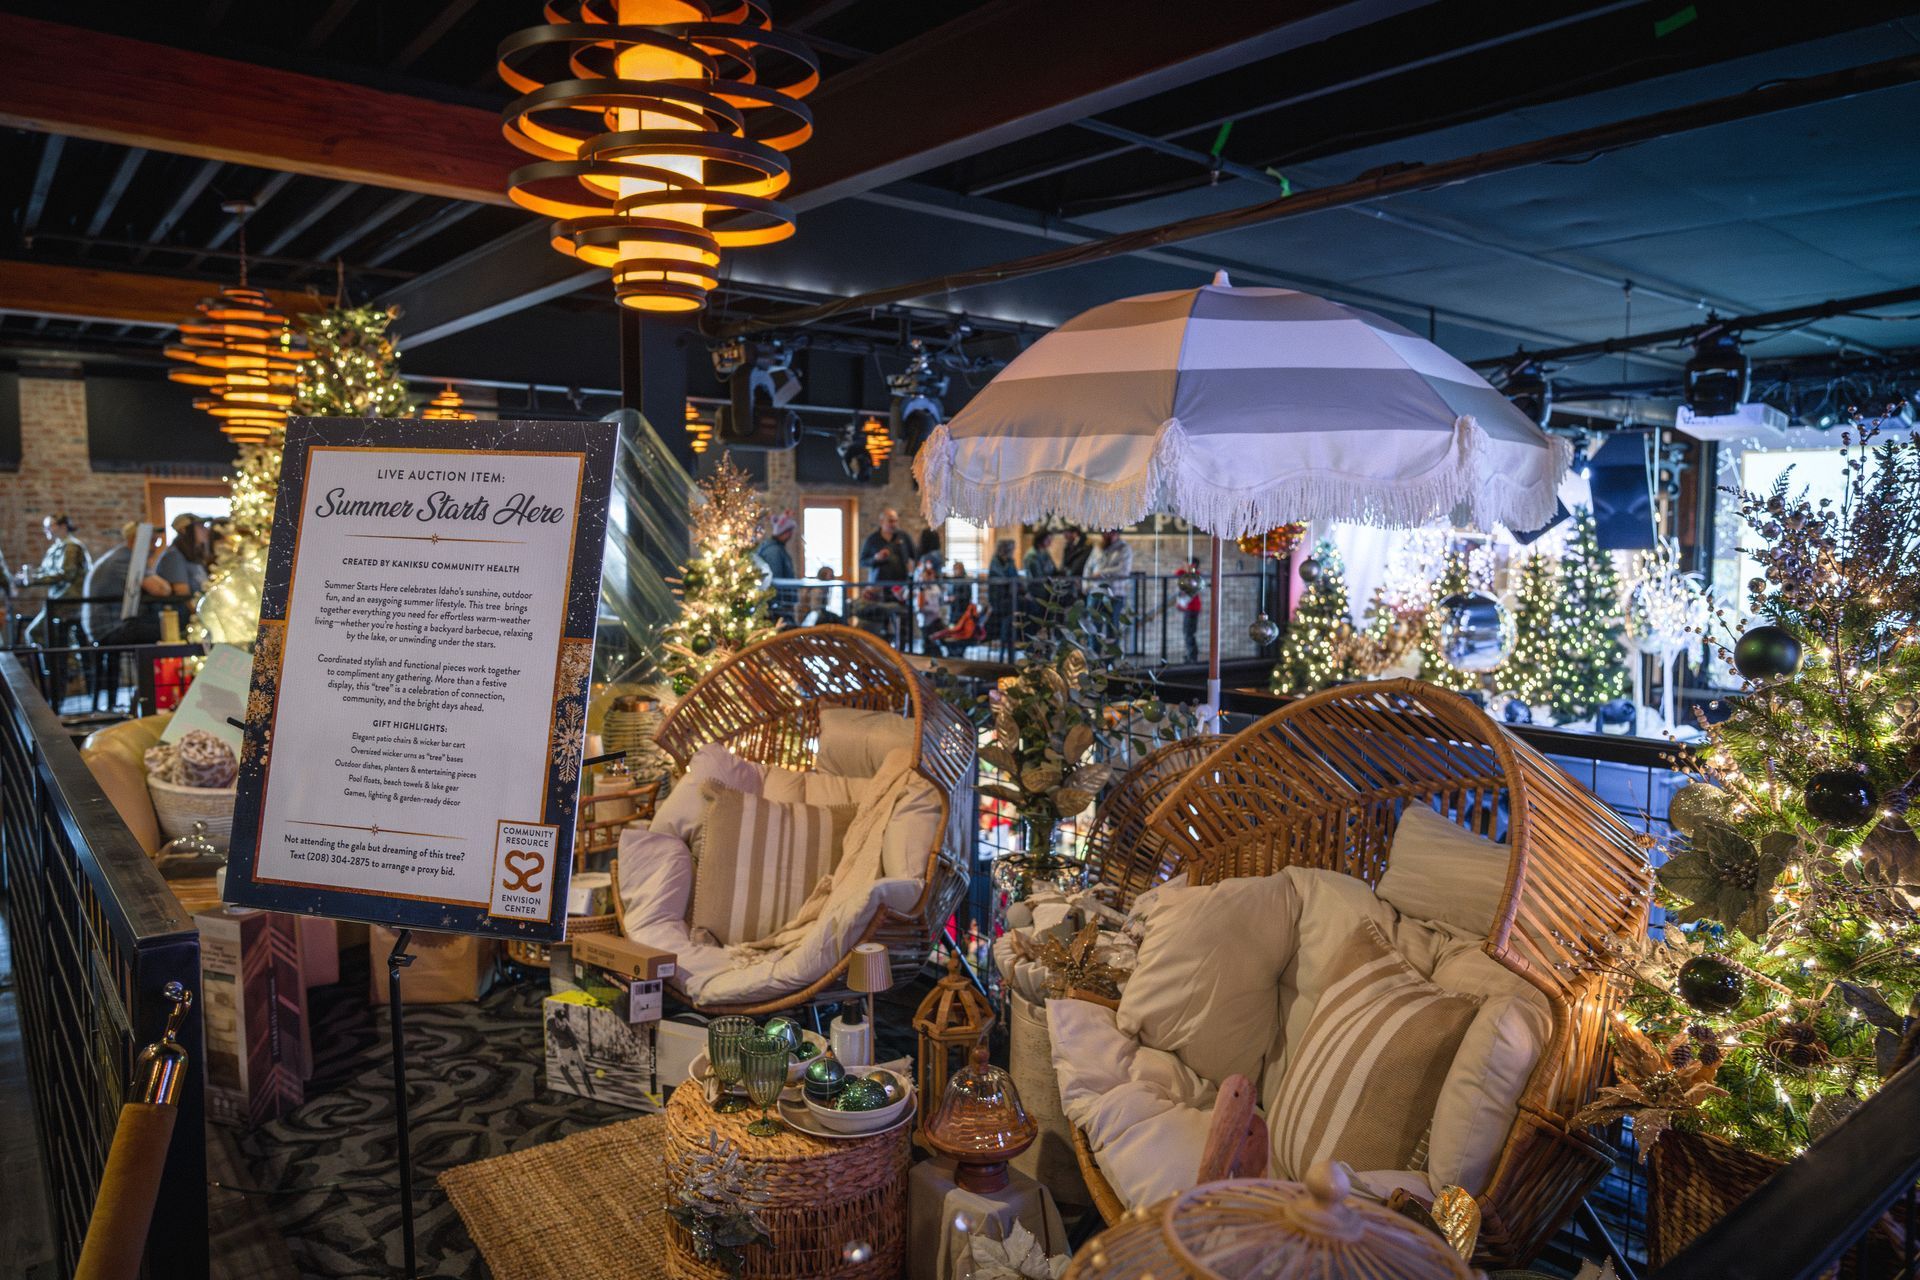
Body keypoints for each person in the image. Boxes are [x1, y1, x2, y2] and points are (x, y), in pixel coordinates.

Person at [20, 512, 88, 648]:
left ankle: (57, 661)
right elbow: (45, 570)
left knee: (35, 633)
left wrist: (33, 580)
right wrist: (28, 576)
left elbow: (66, 574)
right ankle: (64, 658)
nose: (46, 530)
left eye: (49, 526)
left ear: (63, 526)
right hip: (59, 599)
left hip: (70, 600)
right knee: (48, 635)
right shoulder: (56, 547)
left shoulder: (71, 546)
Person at [1082, 529, 1134, 648]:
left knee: (1113, 627)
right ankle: (1094, 655)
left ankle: (1111, 657)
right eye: (1104, 532)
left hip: (1115, 593)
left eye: (1109, 532)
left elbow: (1123, 570)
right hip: (1096, 592)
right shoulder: (1098, 547)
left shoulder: (1124, 549)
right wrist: (1085, 585)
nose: (1105, 535)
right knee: (1093, 626)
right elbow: (1088, 566)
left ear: (1116, 533)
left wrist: (1101, 573)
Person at [756, 511, 798, 621]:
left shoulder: (777, 549)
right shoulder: (774, 552)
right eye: (790, 531)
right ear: (785, 532)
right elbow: (775, 580)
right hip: (778, 609)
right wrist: (781, 606)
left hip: (780, 606)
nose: (791, 535)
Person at [859, 508, 915, 584]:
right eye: (891, 521)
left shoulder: (904, 536)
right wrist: (875, 558)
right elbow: (862, 562)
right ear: (881, 522)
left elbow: (915, 556)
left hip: (901, 584)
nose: (894, 524)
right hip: (879, 584)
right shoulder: (872, 539)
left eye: (896, 521)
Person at [986, 539, 1018, 662]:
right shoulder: (995, 562)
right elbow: (1003, 577)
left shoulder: (1010, 561)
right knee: (1007, 622)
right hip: (998, 601)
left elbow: (1014, 576)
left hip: (1010, 600)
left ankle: (1011, 649)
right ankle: (1005, 650)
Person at [913, 559, 947, 655]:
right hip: (924, 622)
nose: (927, 577)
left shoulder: (935, 588)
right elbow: (917, 605)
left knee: (934, 644)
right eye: (925, 575)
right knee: (927, 645)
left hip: (934, 620)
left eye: (929, 574)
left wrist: (924, 608)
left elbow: (935, 606)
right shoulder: (918, 588)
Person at [1175, 558, 1205, 664]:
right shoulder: (1188, 575)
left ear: (1193, 565)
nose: (1184, 566)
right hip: (1190, 608)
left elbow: (1178, 573)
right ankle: (1190, 655)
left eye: (1186, 564)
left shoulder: (1195, 576)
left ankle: (1192, 656)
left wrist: (1188, 569)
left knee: (1189, 632)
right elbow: (1177, 573)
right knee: (1188, 632)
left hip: (1192, 608)